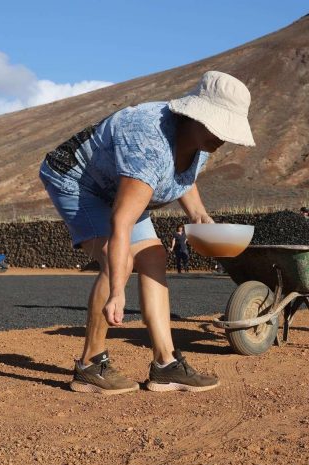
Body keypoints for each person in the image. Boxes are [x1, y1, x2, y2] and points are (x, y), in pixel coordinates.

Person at [39, 71, 255, 394]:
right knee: (121, 260)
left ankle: (166, 365)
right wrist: (116, 290)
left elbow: (182, 174)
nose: (222, 136)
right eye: (217, 124)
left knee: (154, 255)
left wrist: (199, 215)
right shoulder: (148, 139)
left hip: (117, 184)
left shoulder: (202, 141)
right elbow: (122, 222)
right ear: (194, 114)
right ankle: (89, 364)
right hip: (76, 180)